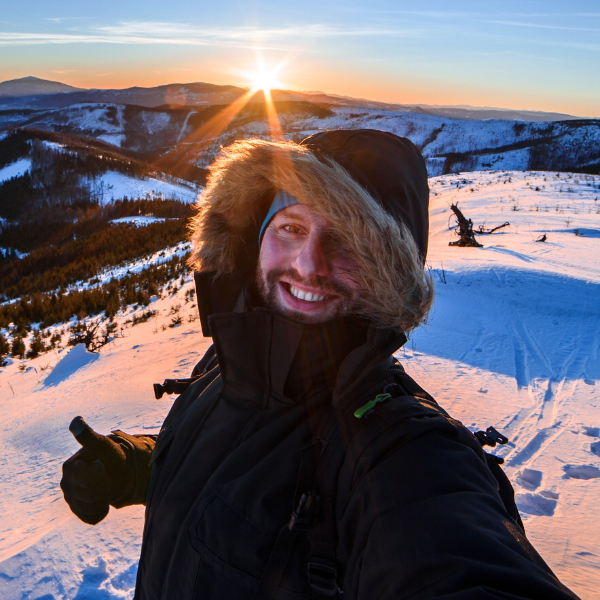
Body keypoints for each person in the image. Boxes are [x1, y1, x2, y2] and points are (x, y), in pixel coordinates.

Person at [61, 130, 579, 599]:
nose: (308, 263)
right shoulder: (227, 357)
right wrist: (135, 466)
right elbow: (239, 467)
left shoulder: (398, 452)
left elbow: (456, 554)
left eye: (349, 241)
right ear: (253, 239)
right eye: (290, 226)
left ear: (387, 277)